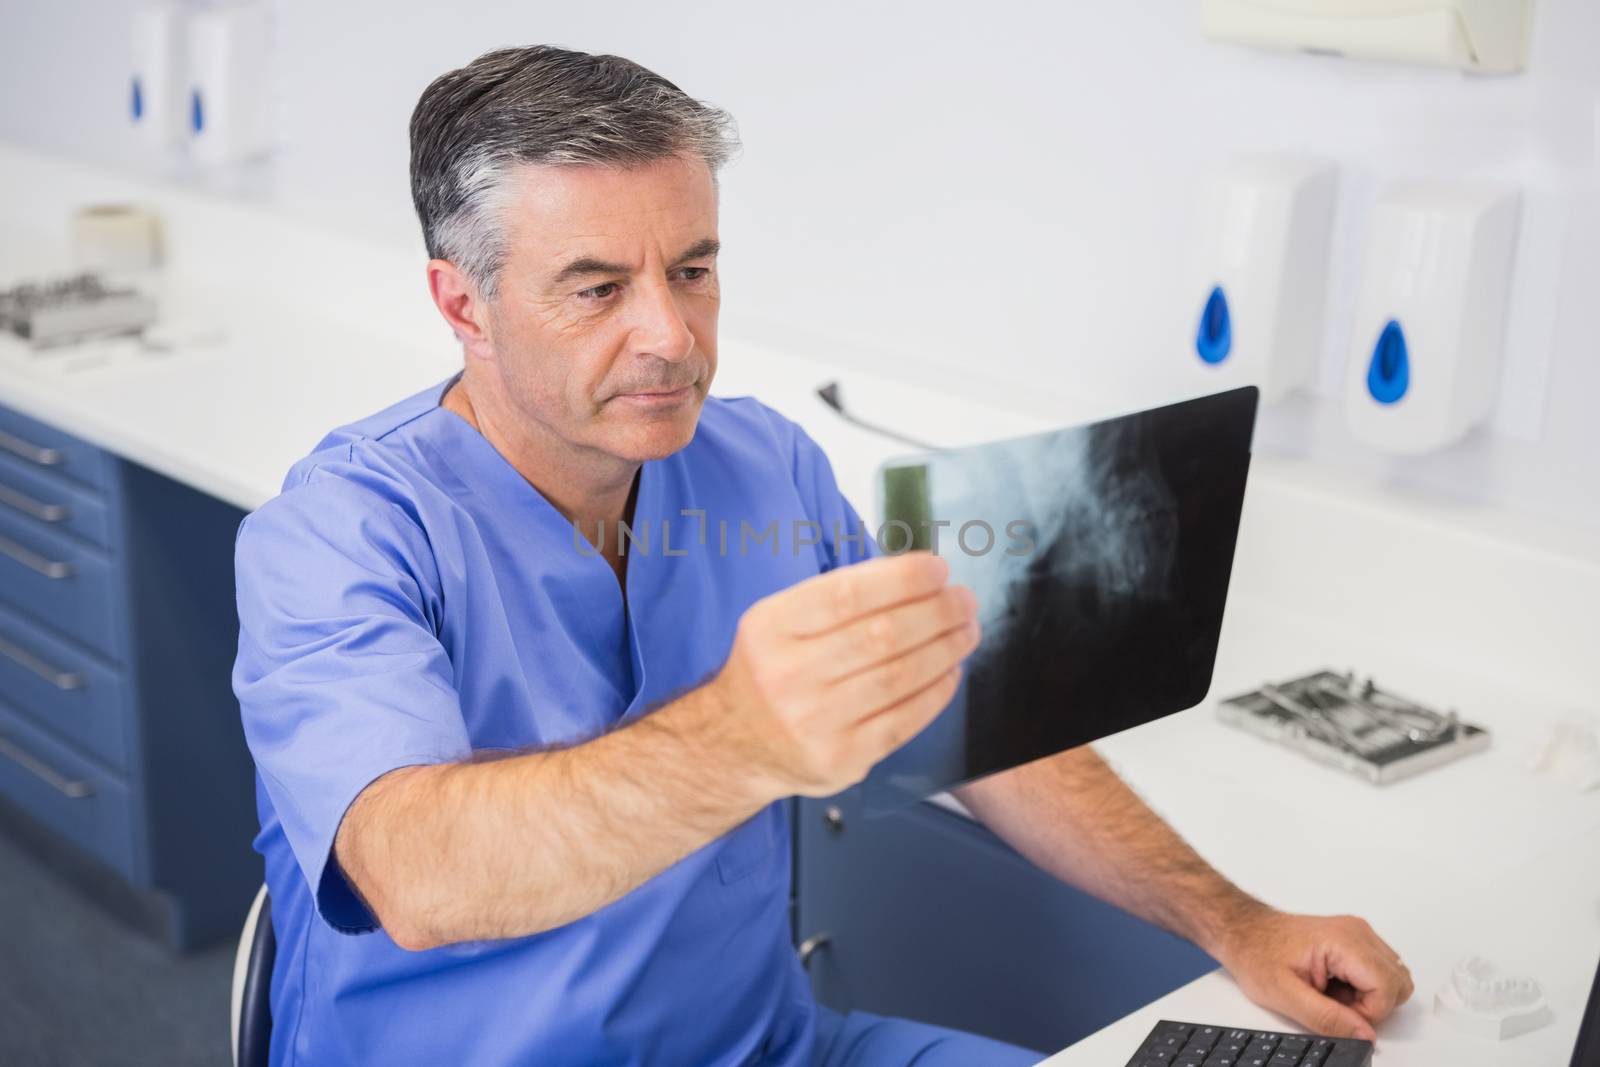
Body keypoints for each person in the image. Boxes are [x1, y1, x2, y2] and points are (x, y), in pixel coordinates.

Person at [232, 44, 1414, 1067]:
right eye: (595, 288)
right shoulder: (338, 534)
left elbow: (963, 720)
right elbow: (418, 872)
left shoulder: (760, 464)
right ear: (463, 305)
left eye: (691, 268)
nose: (670, 335)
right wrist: (741, 736)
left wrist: (1232, 919)